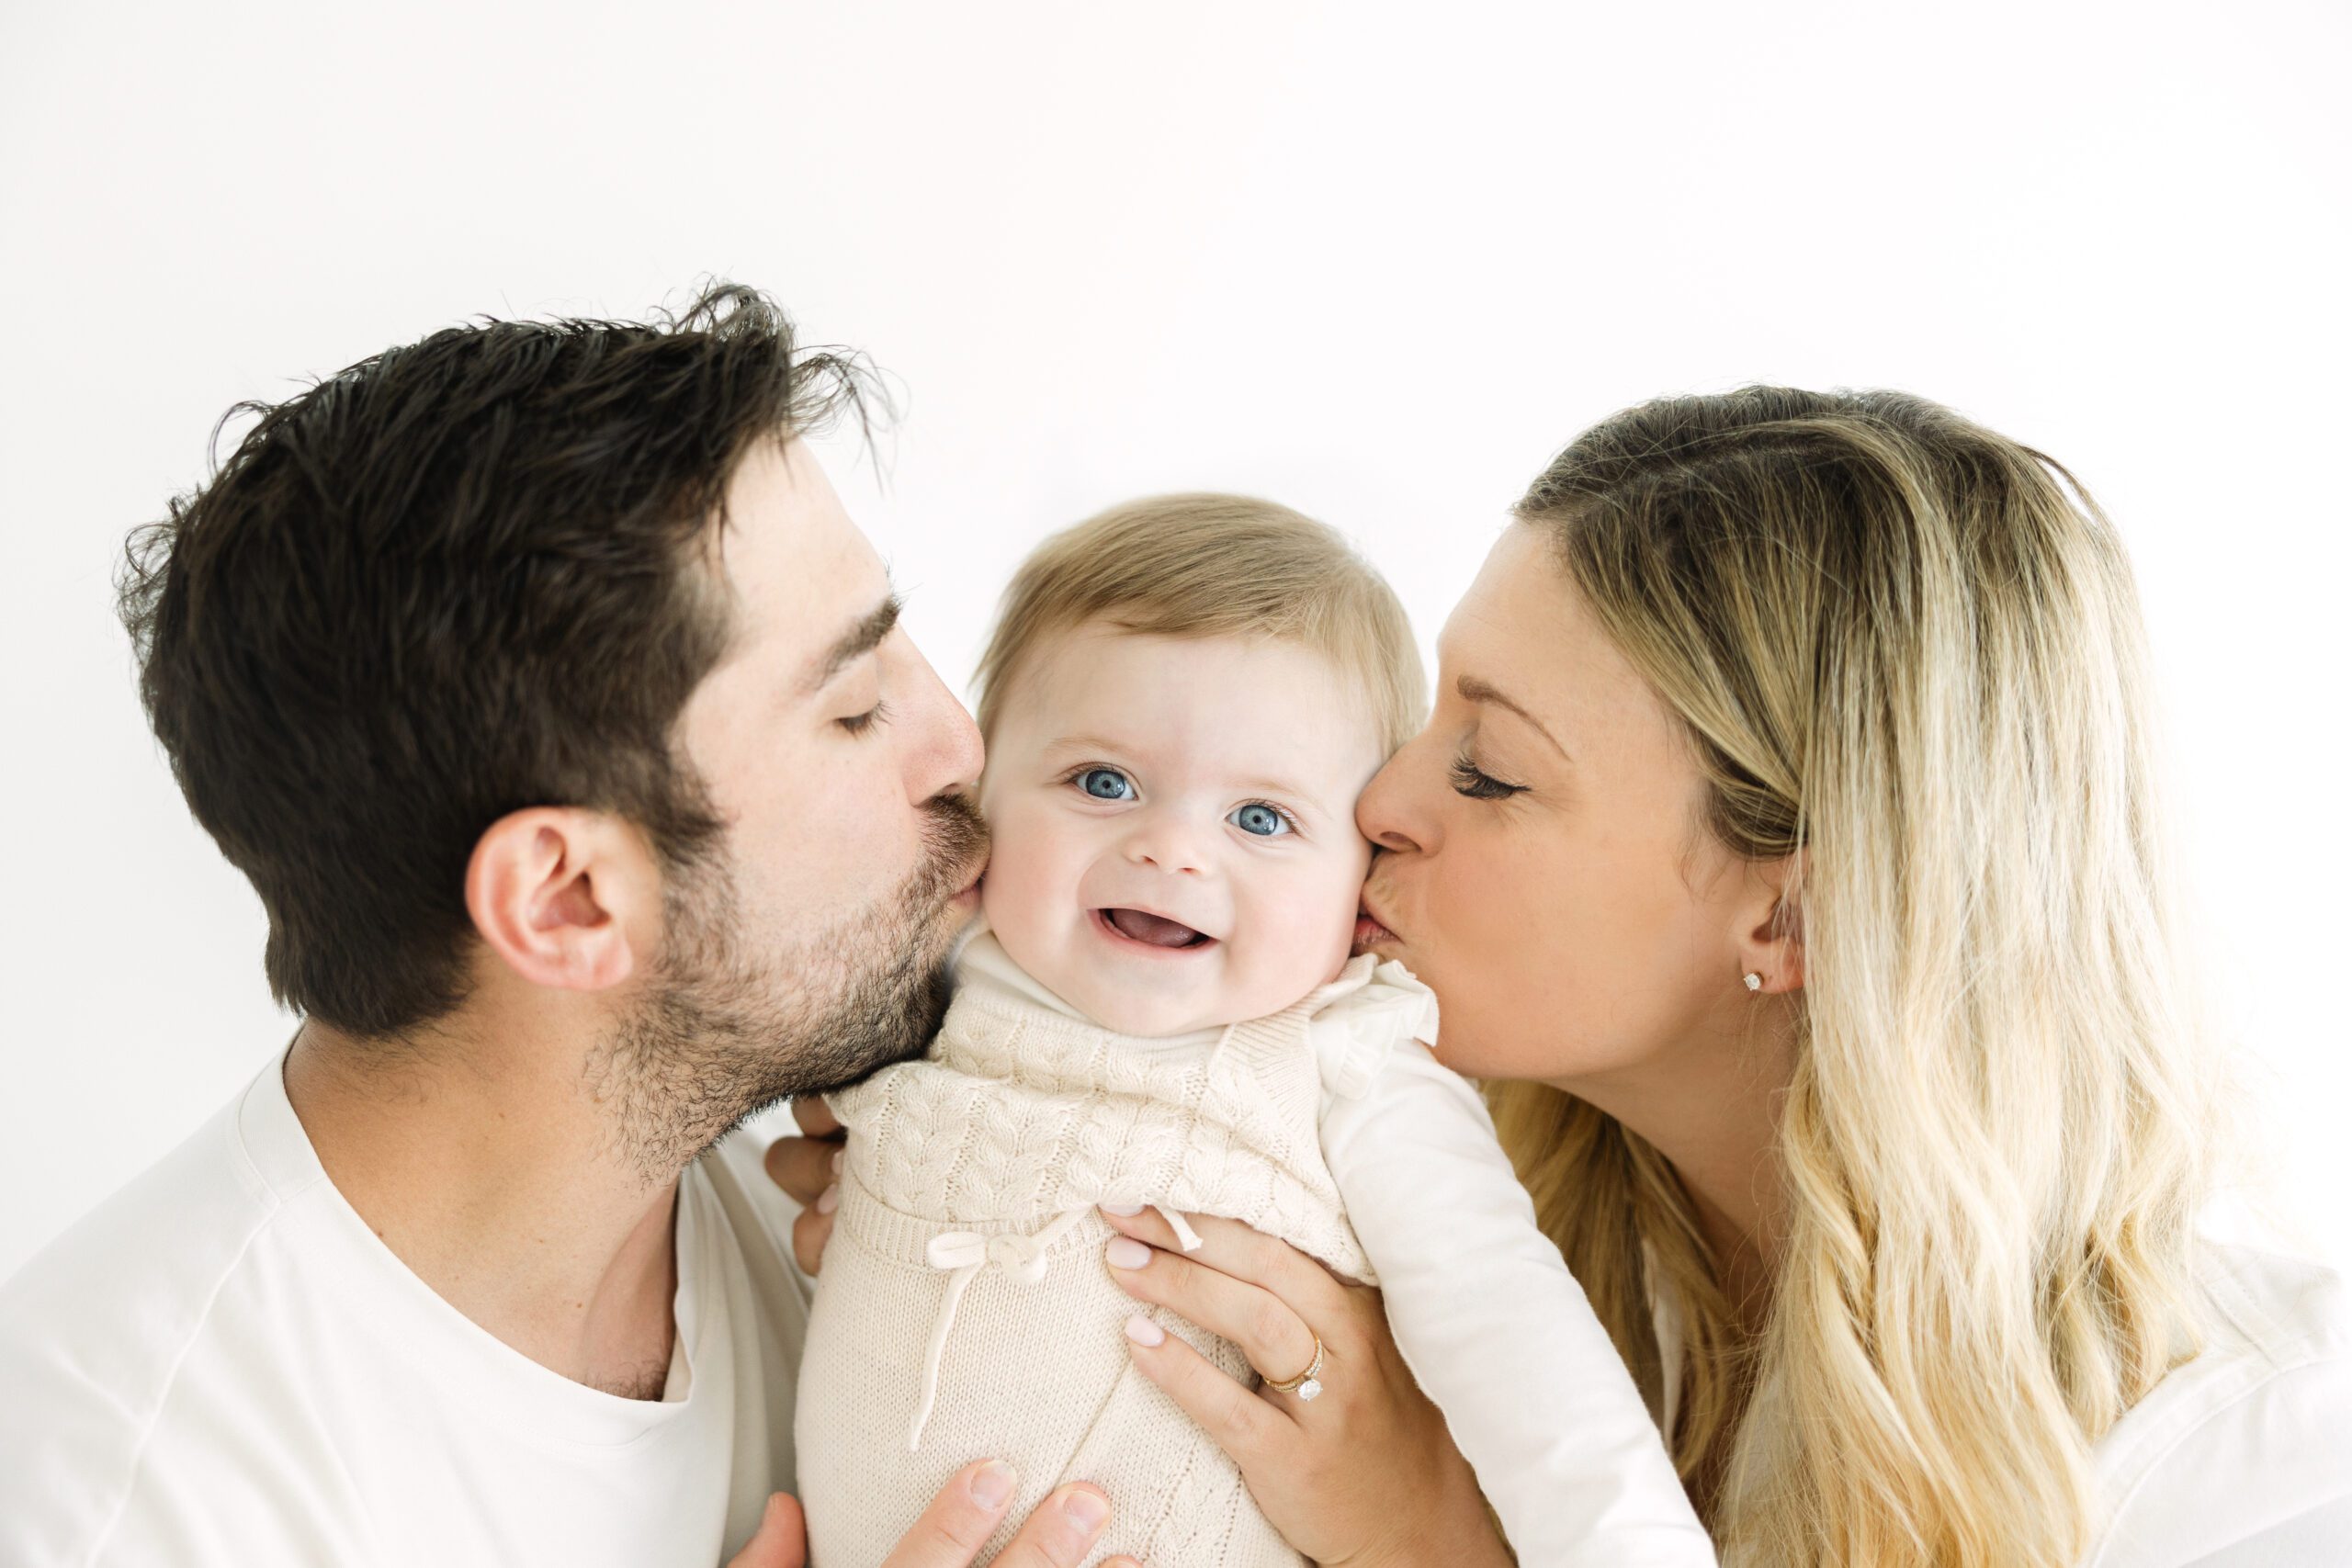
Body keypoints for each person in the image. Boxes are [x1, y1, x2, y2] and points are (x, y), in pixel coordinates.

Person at [1035, 389, 2352, 1564]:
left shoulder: (2261, 1475)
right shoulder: (1438, 1236)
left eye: (1488, 767)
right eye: (1422, 721)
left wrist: (1432, 1545)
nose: (1379, 797)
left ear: (1789, 915)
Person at [0, 285, 1142, 1568]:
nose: (964, 748)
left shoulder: (856, 1212)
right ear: (567, 900)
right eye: (856, 703)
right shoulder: (126, 1498)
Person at [789, 495, 1712, 1566]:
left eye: (1261, 819)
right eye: (1102, 781)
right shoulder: (927, 975)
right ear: (986, 786)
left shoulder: (1348, 1069)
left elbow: (1531, 1369)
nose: (1172, 848)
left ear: (1356, 883)